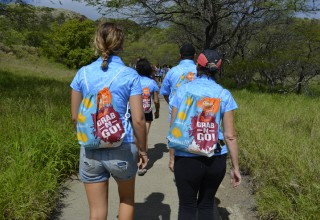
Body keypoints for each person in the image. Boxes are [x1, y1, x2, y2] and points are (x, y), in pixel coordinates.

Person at [70, 22, 148, 220]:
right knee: (127, 200)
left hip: (90, 148)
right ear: (121, 44)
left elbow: (75, 117)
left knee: (96, 211)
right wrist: (143, 150)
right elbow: (139, 120)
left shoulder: (83, 73)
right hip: (123, 145)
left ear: (96, 42)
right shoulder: (130, 75)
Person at [168, 49, 241, 219]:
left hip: (186, 157)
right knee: (207, 205)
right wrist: (236, 168)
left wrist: (172, 158)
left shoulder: (182, 90)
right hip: (215, 158)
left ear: (197, 65)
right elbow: (230, 135)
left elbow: (174, 128)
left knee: (186, 206)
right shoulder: (224, 94)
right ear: (218, 69)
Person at [134, 58, 160, 176]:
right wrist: (157, 111)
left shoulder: (133, 80)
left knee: (135, 136)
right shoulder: (152, 83)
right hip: (147, 111)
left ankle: (136, 160)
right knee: (144, 134)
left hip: (134, 111)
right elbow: (155, 100)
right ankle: (142, 164)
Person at [160, 43, 197, 121]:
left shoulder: (172, 71)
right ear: (195, 55)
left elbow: (165, 92)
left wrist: (173, 103)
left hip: (176, 114)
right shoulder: (199, 71)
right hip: (195, 113)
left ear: (180, 55)